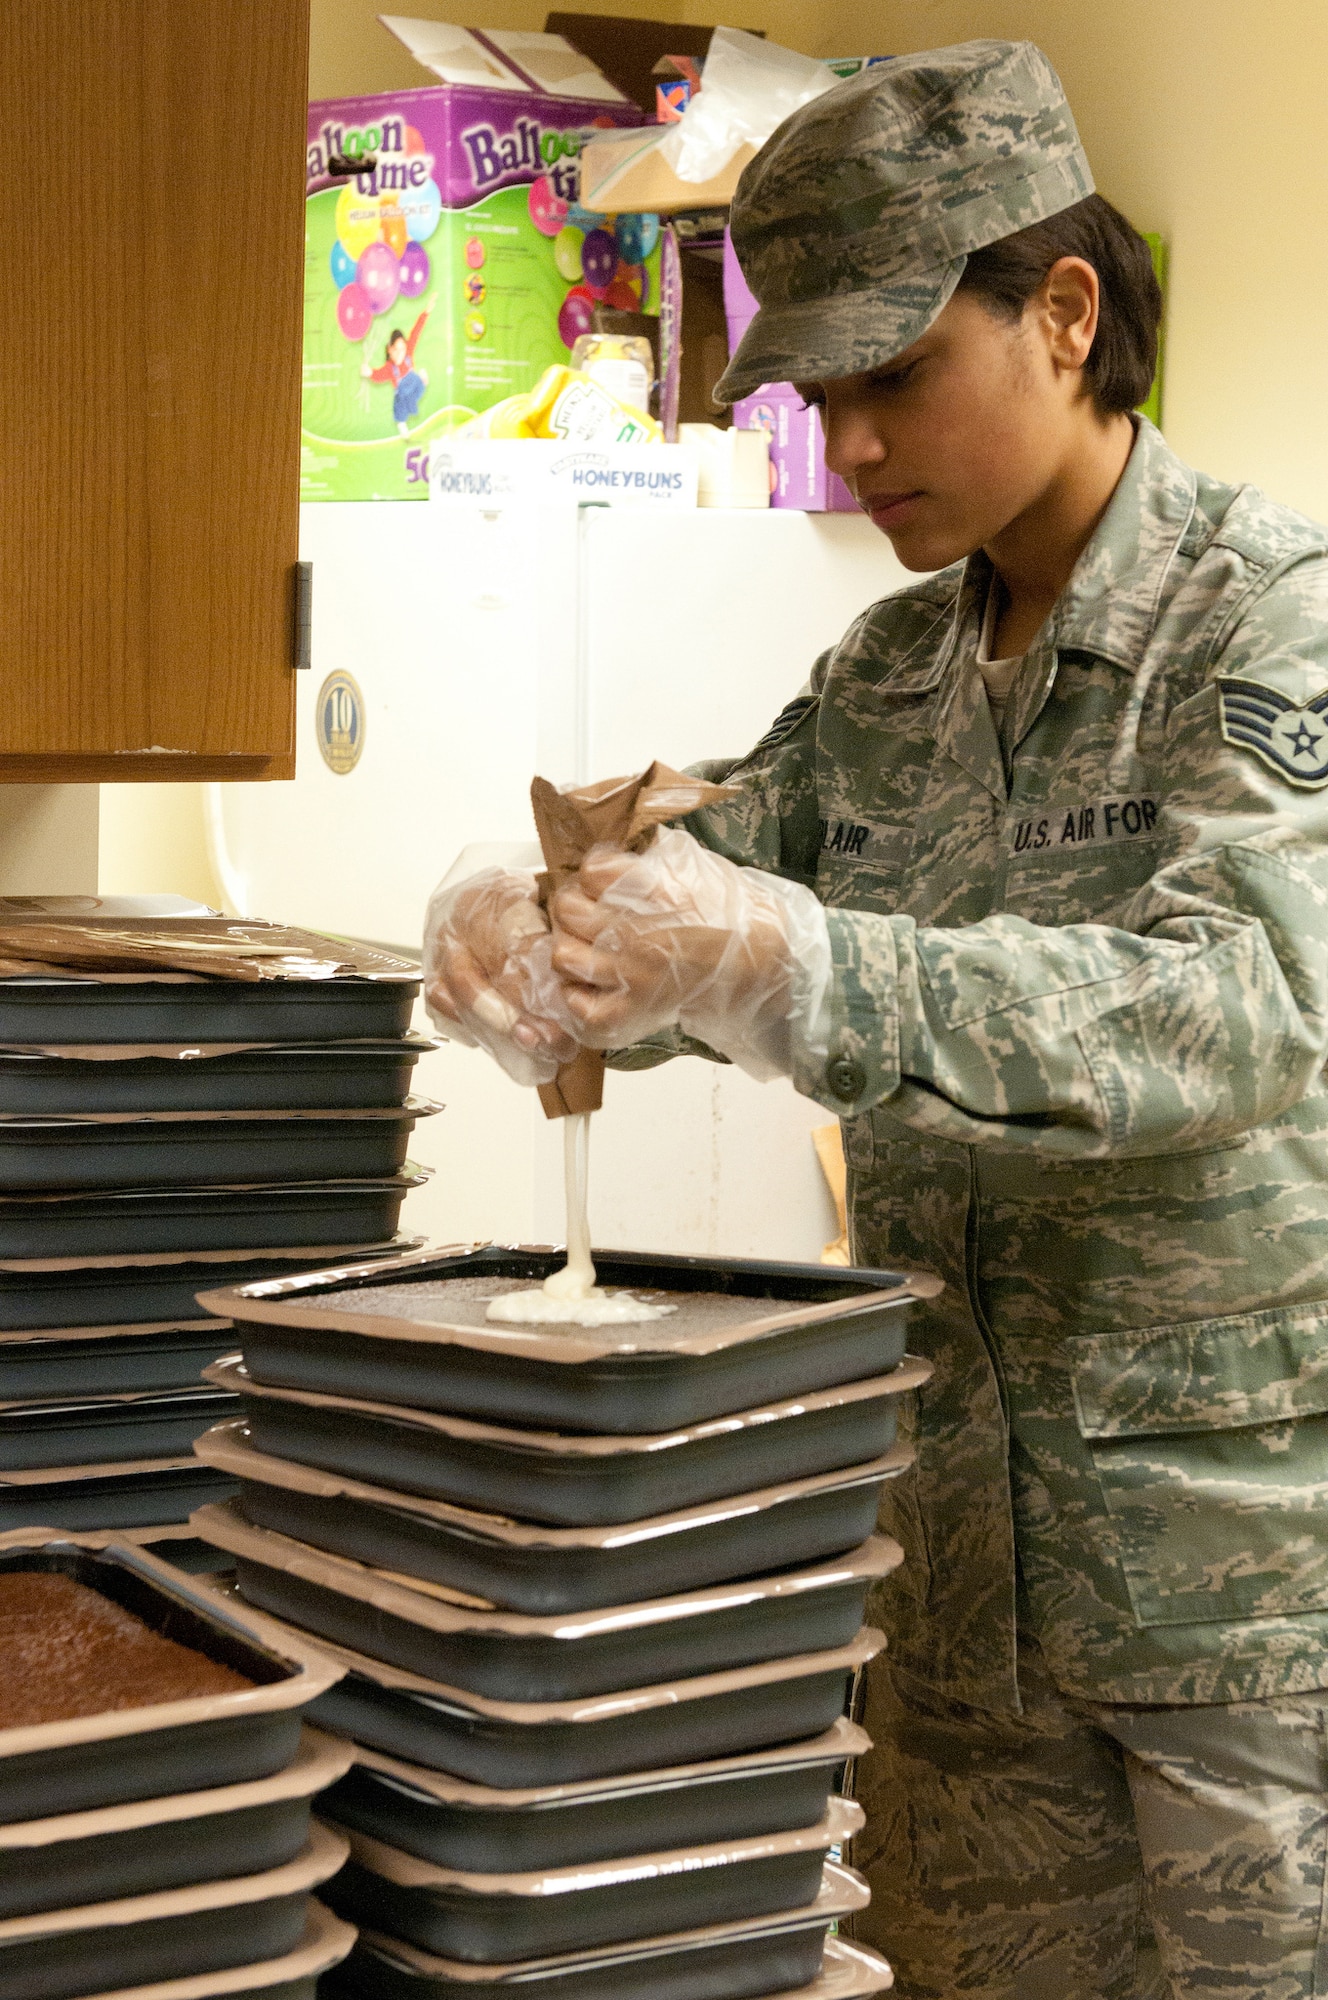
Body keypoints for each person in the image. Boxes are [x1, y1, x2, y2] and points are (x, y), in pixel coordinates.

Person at [423, 40, 1328, 2000]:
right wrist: (543, 929)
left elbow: (1245, 1004)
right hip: (952, 1612)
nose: (850, 440)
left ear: (1065, 313)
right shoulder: (887, 670)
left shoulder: (1266, 619)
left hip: (1237, 1627)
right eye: (820, 392)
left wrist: (797, 967)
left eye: (894, 374)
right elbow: (702, 889)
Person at [362, 313, 429, 434]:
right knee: (400, 410)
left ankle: (422, 381)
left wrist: (426, 313)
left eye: (402, 349)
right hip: (402, 394)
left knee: (420, 389)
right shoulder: (389, 368)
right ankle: (402, 422)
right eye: (395, 350)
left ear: (406, 347)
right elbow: (378, 375)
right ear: (389, 349)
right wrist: (369, 372)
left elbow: (416, 331)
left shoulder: (408, 352)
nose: (399, 354)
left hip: (414, 385)